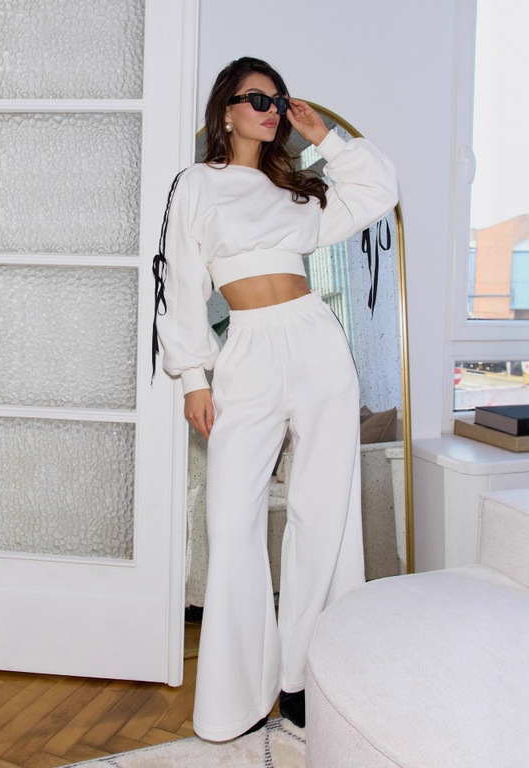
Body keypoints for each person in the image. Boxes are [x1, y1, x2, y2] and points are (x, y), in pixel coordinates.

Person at [154, 56, 398, 742]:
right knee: (232, 522)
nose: (269, 109)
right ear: (226, 110)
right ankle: (237, 697)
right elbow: (178, 280)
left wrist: (324, 137)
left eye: (277, 100)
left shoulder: (295, 191)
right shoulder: (197, 184)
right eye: (255, 98)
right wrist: (193, 378)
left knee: (325, 514)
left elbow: (378, 190)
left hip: (317, 344)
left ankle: (304, 680)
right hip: (248, 352)